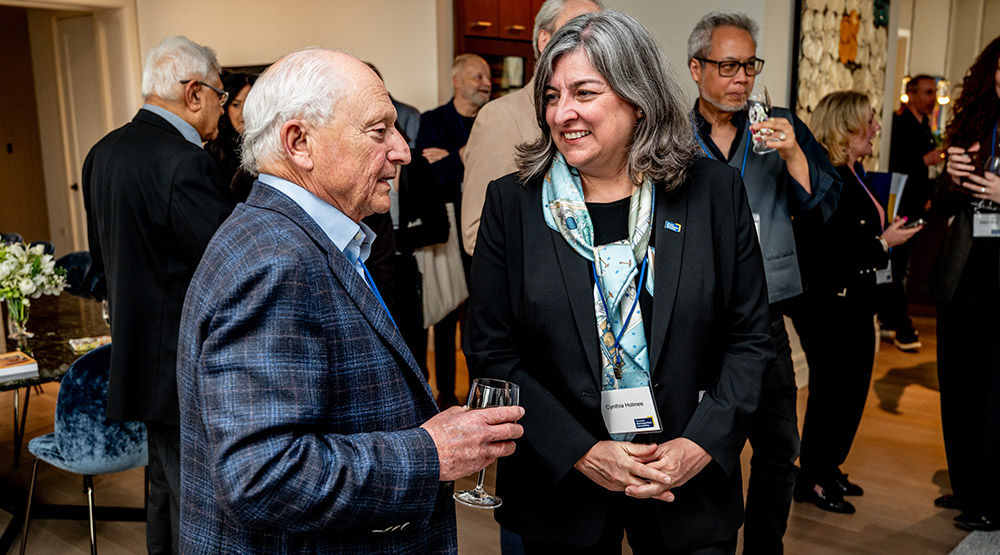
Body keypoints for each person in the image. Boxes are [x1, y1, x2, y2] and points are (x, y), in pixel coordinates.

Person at [175, 47, 524, 553]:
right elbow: (263, 476)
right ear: (300, 143)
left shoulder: (296, 238)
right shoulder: (277, 263)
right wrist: (430, 452)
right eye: (379, 131)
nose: (402, 151)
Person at [465, 12, 773, 554]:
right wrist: (581, 452)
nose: (562, 113)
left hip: (686, 484)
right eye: (552, 96)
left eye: (584, 92)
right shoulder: (512, 205)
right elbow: (494, 352)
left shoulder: (713, 194)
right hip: (562, 489)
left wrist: (701, 444)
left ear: (638, 99)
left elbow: (749, 338)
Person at [686, 11, 840, 553]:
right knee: (710, 445)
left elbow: (823, 205)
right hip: (696, 321)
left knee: (778, 446)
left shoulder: (779, 126)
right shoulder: (674, 136)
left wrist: (794, 152)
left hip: (764, 316)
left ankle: (765, 548)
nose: (742, 78)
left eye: (750, 66)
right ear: (696, 68)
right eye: (728, 66)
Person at [81, 35, 235, 554]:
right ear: (194, 94)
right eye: (219, 95)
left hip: (137, 356)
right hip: (184, 364)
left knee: (165, 488)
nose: (222, 108)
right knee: (196, 500)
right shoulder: (186, 162)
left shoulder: (102, 152)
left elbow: (101, 265)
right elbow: (226, 269)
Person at [793, 91, 922, 515]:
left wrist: (883, 238)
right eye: (869, 120)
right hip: (830, 305)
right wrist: (883, 243)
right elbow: (828, 251)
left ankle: (828, 468)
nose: (877, 127)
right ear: (847, 127)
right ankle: (812, 478)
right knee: (831, 393)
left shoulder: (854, 172)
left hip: (856, 302)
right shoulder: (825, 177)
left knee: (849, 392)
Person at [461, 0, 603, 256]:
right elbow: (477, 234)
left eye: (599, 33)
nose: (588, 41)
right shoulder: (500, 117)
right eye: (575, 29)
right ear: (544, 40)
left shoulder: (606, 116)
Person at [931, 34, 1000, 532]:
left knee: (995, 390)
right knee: (958, 382)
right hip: (964, 270)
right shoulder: (978, 122)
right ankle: (967, 484)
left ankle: (993, 498)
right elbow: (943, 206)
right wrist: (951, 178)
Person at [414, 53, 491, 408]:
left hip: (483, 228)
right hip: (446, 229)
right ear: (456, 81)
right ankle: (446, 394)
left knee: (479, 316)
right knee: (446, 315)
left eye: (487, 77)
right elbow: (430, 176)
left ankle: (479, 394)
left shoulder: (493, 120)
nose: (486, 83)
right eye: (477, 76)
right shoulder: (433, 120)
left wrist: (451, 157)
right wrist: (465, 155)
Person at [881, 74, 944, 352]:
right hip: (901, 207)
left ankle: (890, 319)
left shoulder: (925, 126)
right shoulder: (899, 124)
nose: (932, 99)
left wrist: (929, 196)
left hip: (918, 205)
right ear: (913, 94)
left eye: (934, 93)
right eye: (928, 93)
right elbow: (894, 163)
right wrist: (923, 161)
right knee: (897, 267)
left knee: (903, 266)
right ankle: (899, 323)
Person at [205, 71, 255, 200]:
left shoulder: (271, 150)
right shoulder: (213, 152)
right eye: (236, 105)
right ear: (225, 108)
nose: (244, 112)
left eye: (249, 104)